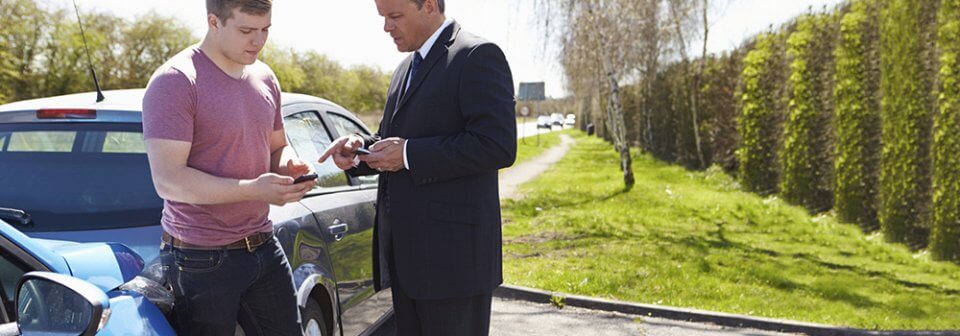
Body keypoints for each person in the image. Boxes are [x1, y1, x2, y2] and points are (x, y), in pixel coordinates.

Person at [320, 0, 516, 334]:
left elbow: (496, 145)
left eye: (395, 16)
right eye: (383, 18)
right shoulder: (404, 69)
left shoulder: (477, 55)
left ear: (428, 6)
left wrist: (409, 154)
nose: (386, 27)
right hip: (407, 263)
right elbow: (396, 140)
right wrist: (358, 151)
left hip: (455, 266)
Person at [142, 0, 311, 334]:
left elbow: (277, 145)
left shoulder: (265, 76)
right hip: (199, 260)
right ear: (214, 22)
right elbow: (169, 180)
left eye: (265, 30)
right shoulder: (176, 81)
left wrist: (289, 164)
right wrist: (253, 189)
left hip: (263, 244)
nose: (258, 41)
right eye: (247, 31)